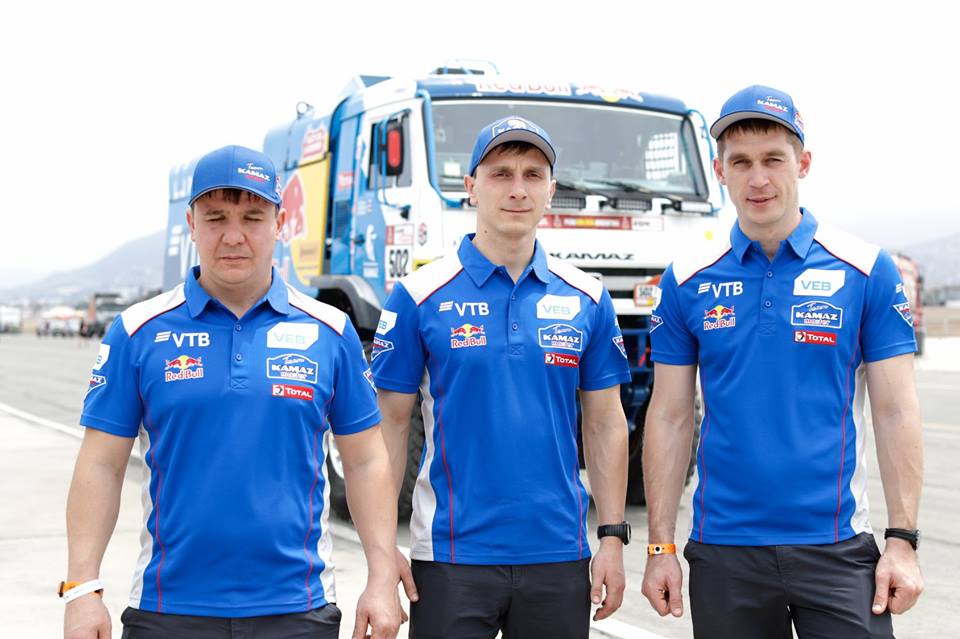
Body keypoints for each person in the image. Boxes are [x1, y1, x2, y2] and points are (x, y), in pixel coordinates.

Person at [62, 145, 409, 639]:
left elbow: (366, 461)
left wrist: (380, 576)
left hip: (298, 608)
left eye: (252, 217)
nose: (233, 236)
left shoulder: (330, 331)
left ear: (280, 223)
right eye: (216, 218)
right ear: (191, 223)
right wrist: (81, 589)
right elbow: (101, 463)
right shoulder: (137, 332)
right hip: (169, 608)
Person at [641, 85, 924, 638]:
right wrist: (660, 547)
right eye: (740, 163)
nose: (758, 179)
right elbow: (670, 417)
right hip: (725, 551)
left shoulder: (865, 270)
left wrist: (902, 542)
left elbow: (896, 412)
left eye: (773, 159)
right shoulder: (686, 280)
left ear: (804, 164)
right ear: (719, 171)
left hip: (838, 547)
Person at [370, 116, 632, 638]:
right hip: (450, 556)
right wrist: (380, 554)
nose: (518, 189)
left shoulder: (588, 297)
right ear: (471, 186)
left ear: (551, 190)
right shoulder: (418, 296)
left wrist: (610, 539)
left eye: (533, 175)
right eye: (501, 174)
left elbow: (606, 424)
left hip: (559, 554)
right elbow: (388, 430)